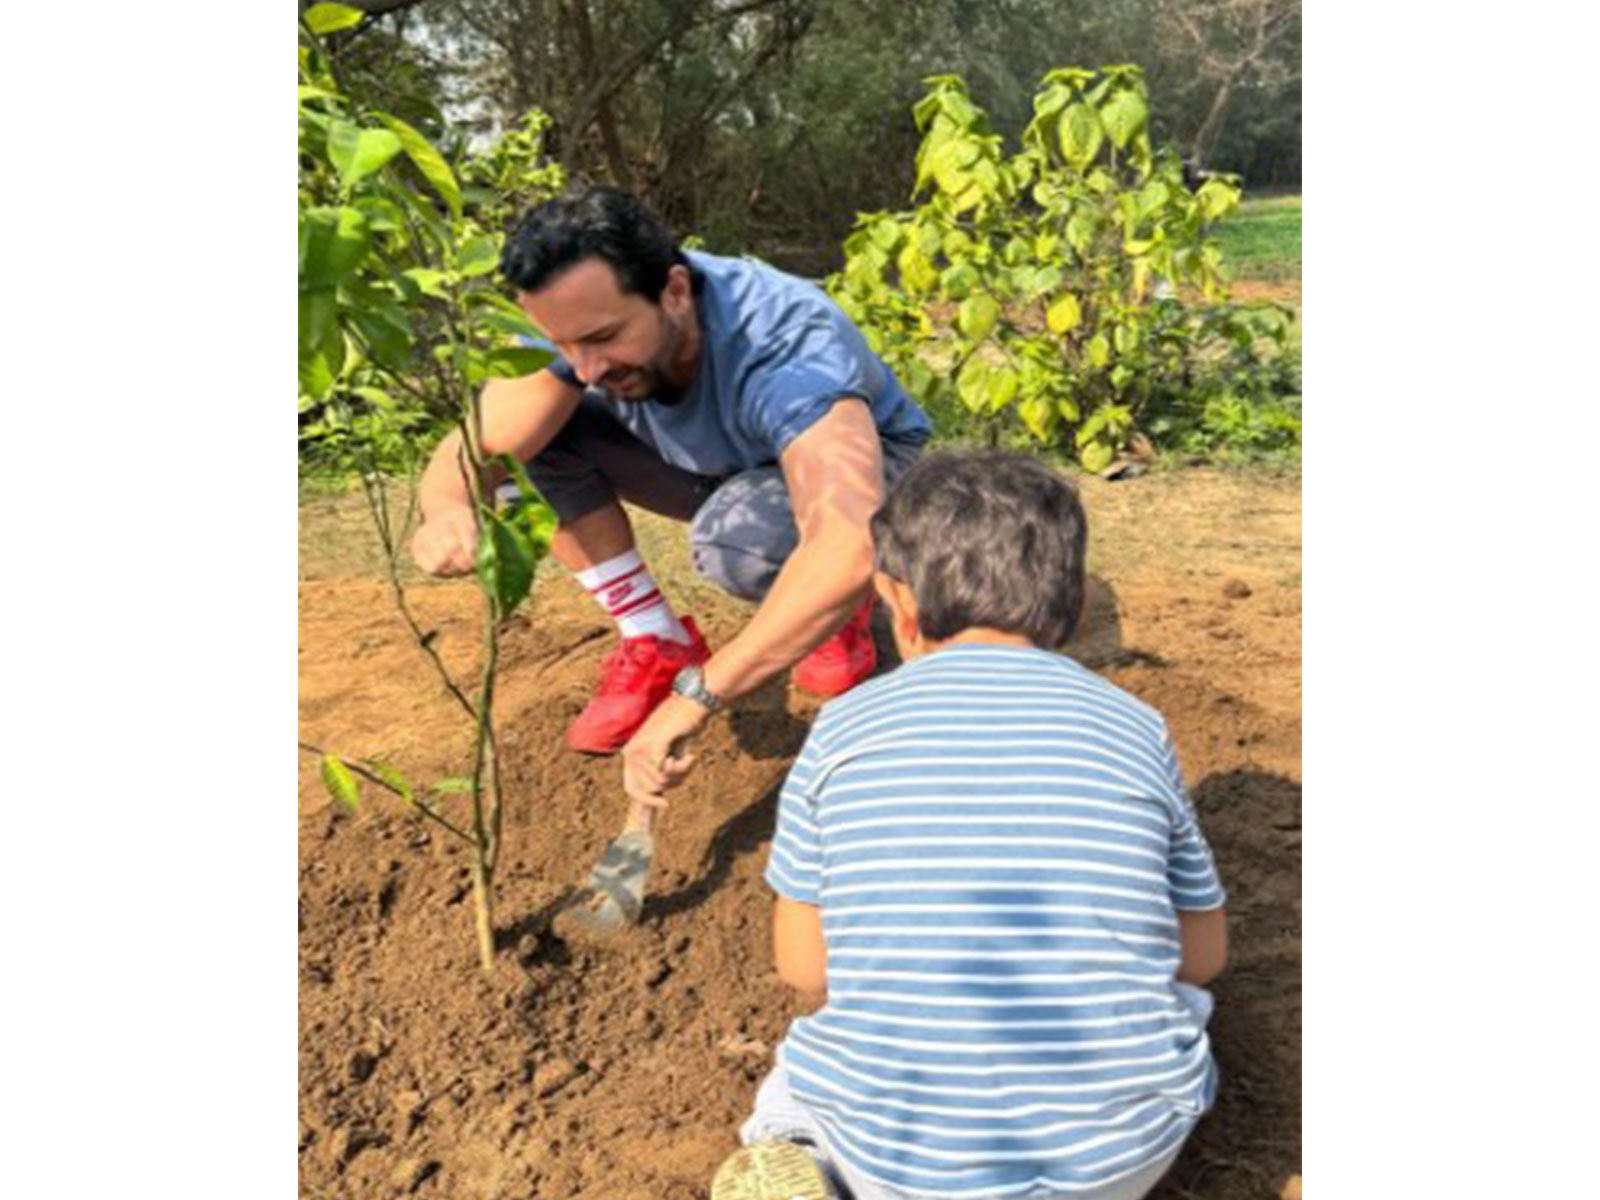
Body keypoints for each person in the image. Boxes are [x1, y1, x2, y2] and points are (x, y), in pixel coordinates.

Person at [711, 451, 1229, 1200]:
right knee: (1184, 1008)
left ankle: (794, 1148)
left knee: (802, 1069)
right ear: (1076, 606)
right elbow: (1202, 955)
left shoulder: (844, 728)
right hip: (1119, 1160)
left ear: (896, 601)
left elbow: (807, 969)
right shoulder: (1136, 727)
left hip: (895, 1163)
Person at [409, 187, 930, 807]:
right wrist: (446, 509)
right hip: (714, 470)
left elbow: (846, 539)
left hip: (867, 475)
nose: (585, 368)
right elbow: (476, 444)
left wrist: (699, 696)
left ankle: (834, 615)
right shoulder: (579, 327)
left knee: (741, 542)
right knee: (541, 435)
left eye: (603, 338)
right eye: (565, 345)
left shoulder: (785, 343)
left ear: (676, 291)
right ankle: (656, 637)